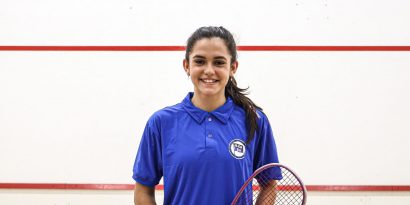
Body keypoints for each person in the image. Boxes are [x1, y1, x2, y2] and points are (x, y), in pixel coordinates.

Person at [132, 26, 280, 205]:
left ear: (233, 67)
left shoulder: (255, 120)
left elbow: (269, 184)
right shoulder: (161, 122)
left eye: (219, 62)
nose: (209, 70)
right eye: (200, 61)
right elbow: (143, 189)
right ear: (187, 66)